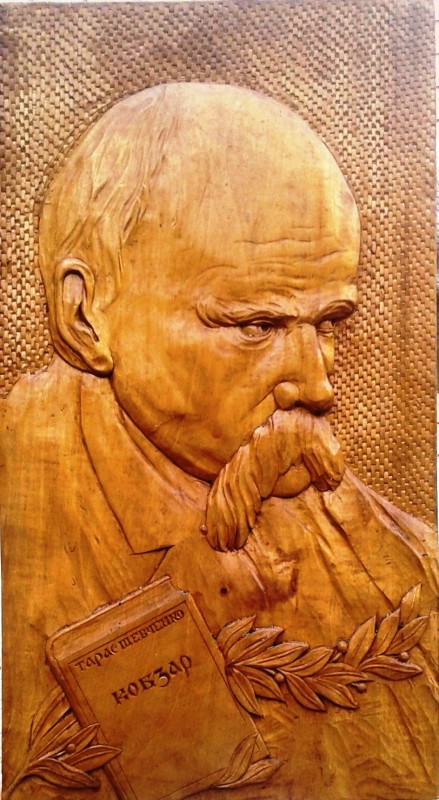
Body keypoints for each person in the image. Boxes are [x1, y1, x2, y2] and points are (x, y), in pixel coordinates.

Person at [1, 83, 437, 800]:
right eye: (255, 327)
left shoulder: (398, 559)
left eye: (328, 324)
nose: (316, 387)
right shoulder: (19, 522)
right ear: (85, 318)